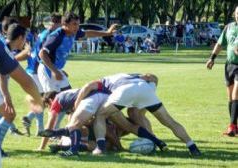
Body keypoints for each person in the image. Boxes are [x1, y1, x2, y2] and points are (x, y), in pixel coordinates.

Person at [74, 73, 201, 156]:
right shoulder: (128, 75)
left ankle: (100, 148)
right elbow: (151, 77)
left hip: (125, 90)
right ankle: (192, 147)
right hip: (144, 89)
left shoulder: (102, 82)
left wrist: (76, 106)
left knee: (100, 115)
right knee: (169, 121)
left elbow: (87, 87)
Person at [0, 15, 43, 168]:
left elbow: (12, 62)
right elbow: (3, 74)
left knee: (8, 114)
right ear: (20, 37)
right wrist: (7, 97)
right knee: (9, 113)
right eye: (24, 38)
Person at [38, 87, 166, 157]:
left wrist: (42, 146)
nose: (50, 109)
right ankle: (158, 142)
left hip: (94, 101)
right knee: (126, 128)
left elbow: (51, 122)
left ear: (49, 101)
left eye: (47, 106)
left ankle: (69, 145)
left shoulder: (57, 101)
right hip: (105, 98)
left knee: (80, 128)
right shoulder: (68, 97)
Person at [38, 12, 117, 94]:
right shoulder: (57, 36)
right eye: (74, 24)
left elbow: (88, 33)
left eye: (78, 24)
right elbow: (42, 54)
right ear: (65, 24)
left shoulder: (73, 33)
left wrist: (107, 33)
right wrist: (55, 71)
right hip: (47, 70)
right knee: (52, 100)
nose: (77, 27)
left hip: (55, 70)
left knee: (68, 98)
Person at [22, 13, 62, 137]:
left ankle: (39, 128)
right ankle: (31, 119)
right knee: (49, 98)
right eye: (61, 23)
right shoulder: (49, 35)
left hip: (32, 70)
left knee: (42, 99)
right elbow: (42, 55)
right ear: (56, 23)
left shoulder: (44, 33)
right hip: (36, 71)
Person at [206, 6, 238, 136]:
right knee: (230, 97)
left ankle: (231, 127)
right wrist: (212, 58)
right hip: (229, 65)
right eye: (237, 13)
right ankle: (234, 126)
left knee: (236, 94)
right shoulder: (229, 27)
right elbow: (220, 44)